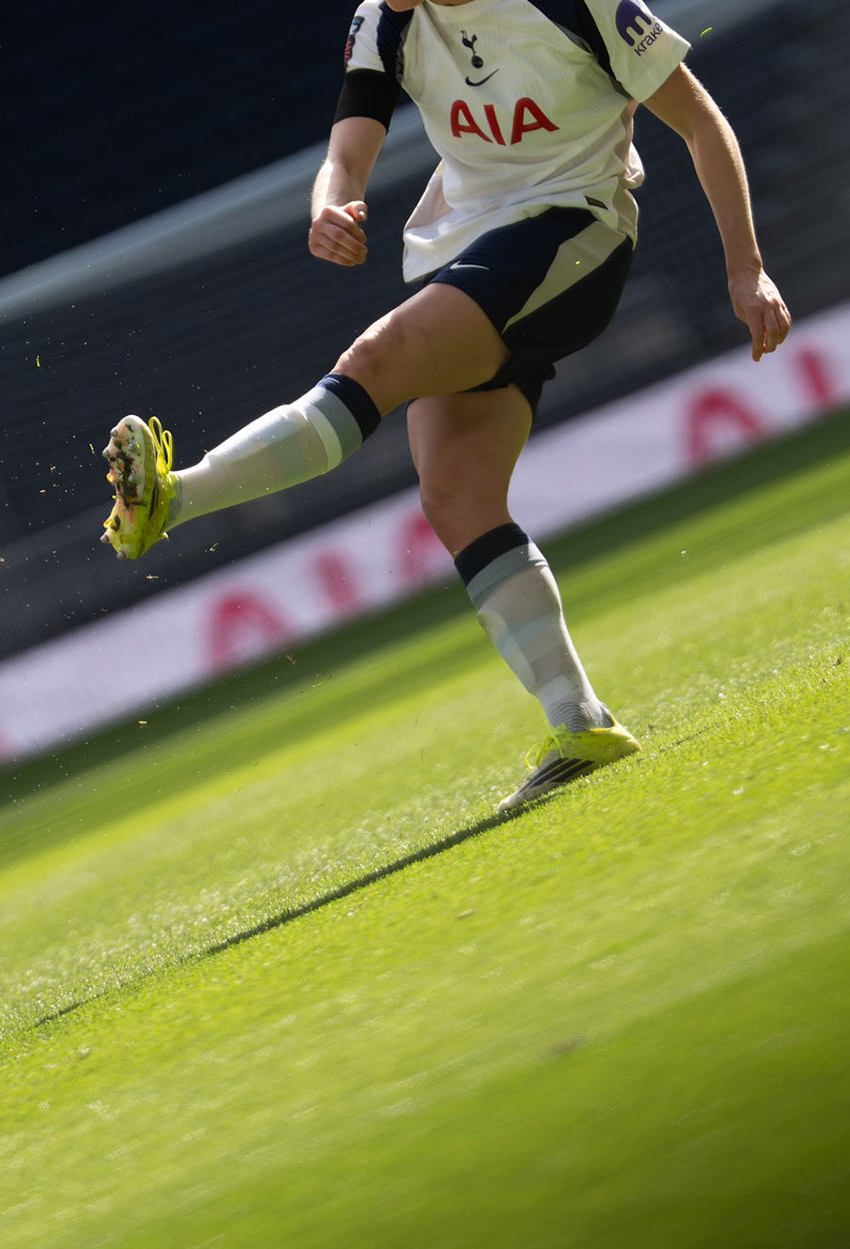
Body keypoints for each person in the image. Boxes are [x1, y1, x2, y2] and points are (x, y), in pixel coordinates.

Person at [100, 0, 791, 811]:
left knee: (373, 361)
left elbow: (701, 121)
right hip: (477, 250)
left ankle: (175, 498)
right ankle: (581, 723)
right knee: (458, 496)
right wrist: (330, 205)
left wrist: (746, 268)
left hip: (576, 232)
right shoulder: (383, 21)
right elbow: (345, 153)